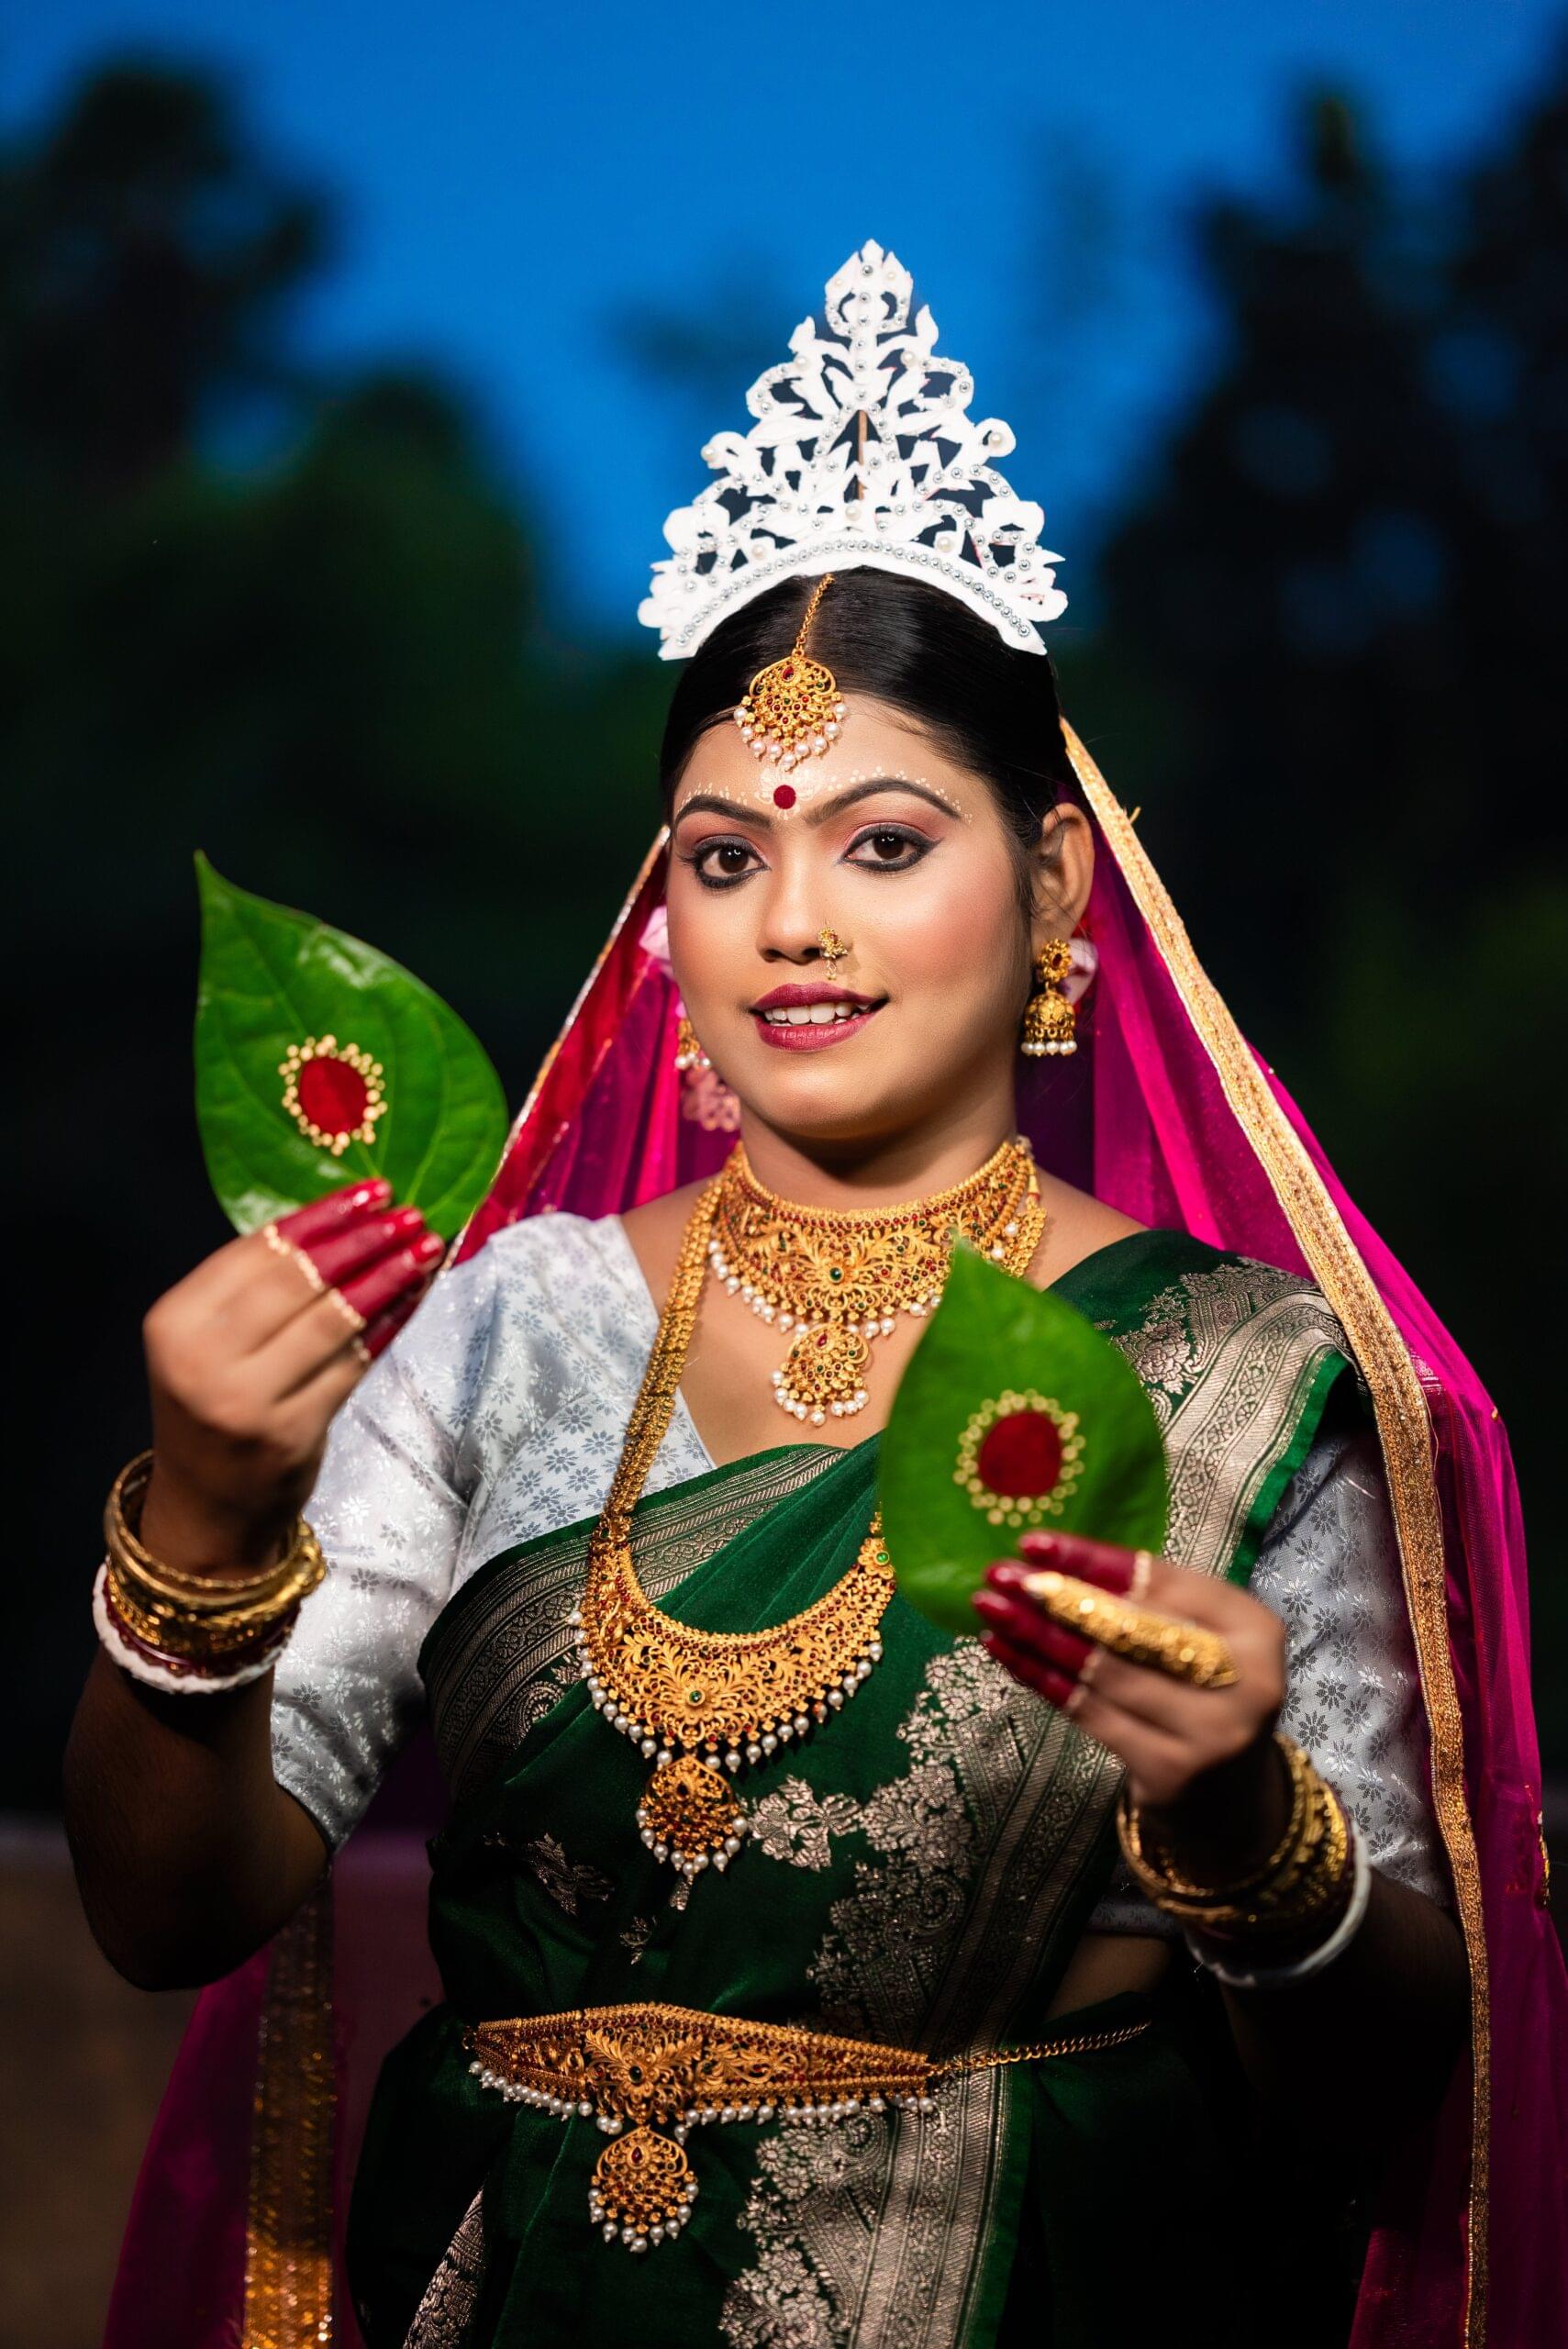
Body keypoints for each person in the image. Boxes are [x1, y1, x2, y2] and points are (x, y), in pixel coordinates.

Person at [66, 244, 1563, 2349]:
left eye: (881, 843)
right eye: (719, 854)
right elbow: (167, 1910)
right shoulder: (512, 1323)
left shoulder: (1234, 1372)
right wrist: (200, 1534)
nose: (792, 927)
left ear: (1053, 886)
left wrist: (1245, 1819)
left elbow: (1384, 2080)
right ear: (657, 917)